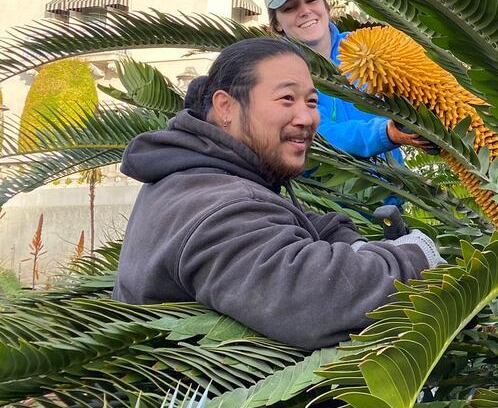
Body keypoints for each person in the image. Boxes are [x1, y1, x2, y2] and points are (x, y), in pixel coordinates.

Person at [112, 37, 444, 350]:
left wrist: (350, 241)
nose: (306, 118)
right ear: (225, 107)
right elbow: (319, 300)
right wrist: (414, 257)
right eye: (287, 98)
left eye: (311, 101)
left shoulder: (200, 178)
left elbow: (283, 222)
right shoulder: (215, 206)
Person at [264, 0, 434, 161]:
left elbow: (417, 82)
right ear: (277, 24)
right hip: (334, 189)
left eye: (311, 0)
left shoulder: (368, 45)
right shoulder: (280, 75)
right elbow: (316, 134)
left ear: (326, 6)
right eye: (290, 8)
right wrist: (386, 133)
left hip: (399, 186)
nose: (304, 11)